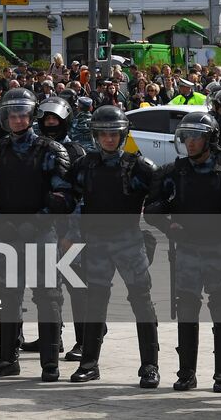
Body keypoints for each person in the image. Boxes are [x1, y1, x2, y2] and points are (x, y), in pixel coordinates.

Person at [0, 87, 73, 380]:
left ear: (32, 116)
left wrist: (39, 221)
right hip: (5, 233)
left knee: (48, 296)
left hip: (41, 233)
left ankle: (50, 363)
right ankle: (7, 359)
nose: (17, 120)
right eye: (12, 115)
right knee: (9, 295)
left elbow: (63, 195)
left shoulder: (51, 151)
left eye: (23, 114)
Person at [66, 106, 161, 387]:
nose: (109, 139)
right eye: (103, 134)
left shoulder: (141, 167)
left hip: (129, 240)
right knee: (94, 301)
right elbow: (70, 200)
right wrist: (70, 233)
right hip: (95, 241)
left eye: (114, 133)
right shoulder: (84, 166)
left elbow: (162, 198)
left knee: (141, 301)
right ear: (95, 135)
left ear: (123, 134)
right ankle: (89, 363)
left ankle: (150, 367)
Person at [145, 110, 221, 393]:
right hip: (186, 250)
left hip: (218, 248)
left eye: (197, 136)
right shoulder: (174, 172)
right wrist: (168, 226)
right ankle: (186, 372)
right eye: (187, 137)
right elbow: (152, 209)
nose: (191, 142)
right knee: (187, 310)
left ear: (211, 139)